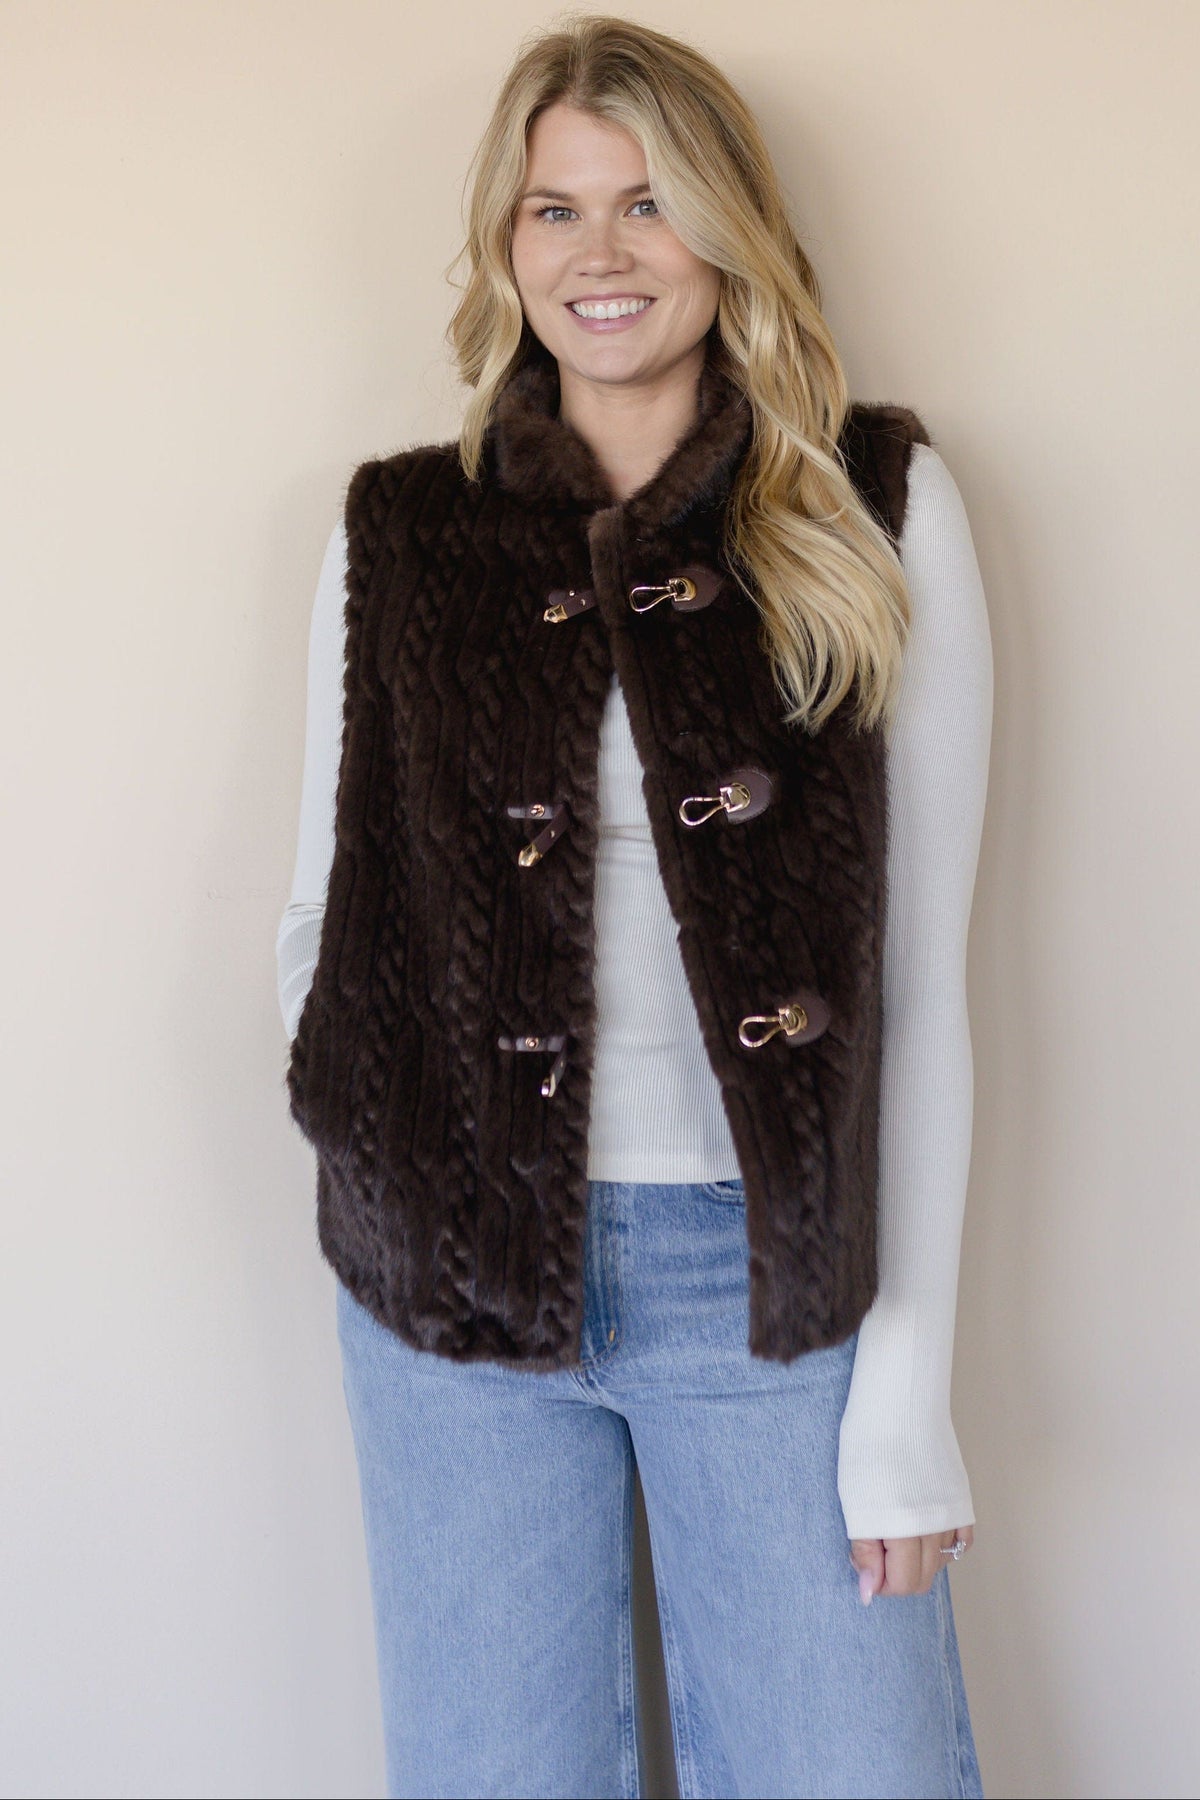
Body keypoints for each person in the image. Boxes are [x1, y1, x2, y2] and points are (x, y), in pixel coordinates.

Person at [275, 16, 992, 1799]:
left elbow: (923, 988)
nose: (599, 253)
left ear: (731, 230)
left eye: (650, 202)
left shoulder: (877, 504)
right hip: (450, 1291)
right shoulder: (401, 531)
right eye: (555, 208)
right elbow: (324, 912)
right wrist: (381, 1148)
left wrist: (906, 1393)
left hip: (760, 1284)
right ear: (506, 244)